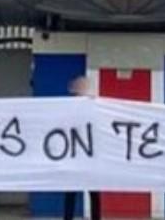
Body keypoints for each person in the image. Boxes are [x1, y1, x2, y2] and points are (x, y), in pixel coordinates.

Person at [62, 76, 101, 220]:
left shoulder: (93, 105)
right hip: (74, 155)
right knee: (71, 192)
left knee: (94, 193)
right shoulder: (69, 107)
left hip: (90, 157)